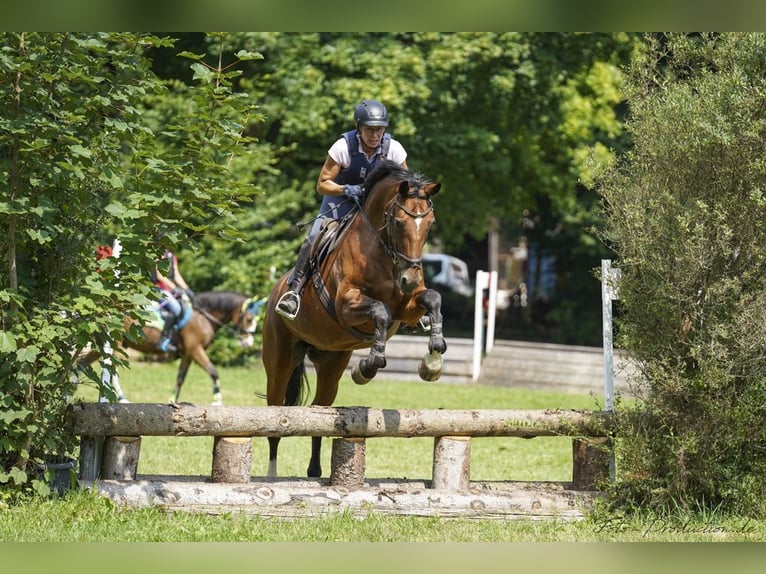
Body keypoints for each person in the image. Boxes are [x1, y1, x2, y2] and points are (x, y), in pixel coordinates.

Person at [276, 99, 409, 320]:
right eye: (370, 129)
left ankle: (412, 296)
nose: (375, 135)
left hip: (373, 209)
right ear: (359, 127)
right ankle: (294, 293)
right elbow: (322, 184)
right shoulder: (343, 147)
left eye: (380, 129)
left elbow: (406, 186)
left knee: (404, 237)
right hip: (339, 204)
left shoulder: (394, 149)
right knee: (315, 236)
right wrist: (347, 189)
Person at [152, 250, 192, 352]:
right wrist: (174, 287)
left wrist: (187, 289)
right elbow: (159, 276)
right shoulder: (157, 253)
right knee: (176, 308)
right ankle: (163, 340)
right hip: (156, 289)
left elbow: (176, 275)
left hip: (169, 290)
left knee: (186, 306)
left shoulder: (171, 255)